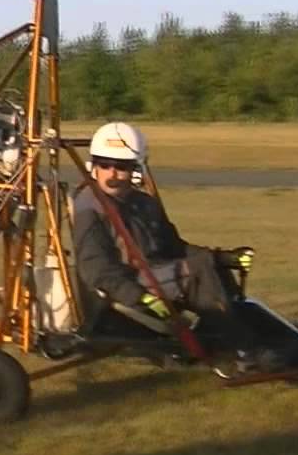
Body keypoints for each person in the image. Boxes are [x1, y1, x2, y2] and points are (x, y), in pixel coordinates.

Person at [71, 122, 262, 361]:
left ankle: (243, 334)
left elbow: (174, 247)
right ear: (93, 166)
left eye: (121, 167)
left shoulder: (144, 204)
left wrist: (221, 257)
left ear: (135, 169)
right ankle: (243, 349)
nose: (112, 174)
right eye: (104, 164)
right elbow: (96, 270)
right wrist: (139, 297)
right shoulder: (89, 208)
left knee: (210, 265)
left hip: (157, 273)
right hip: (129, 283)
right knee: (199, 270)